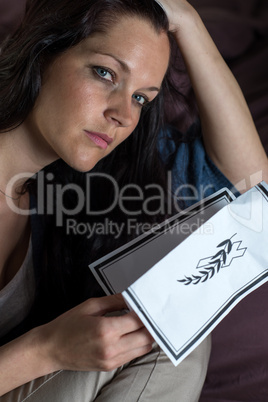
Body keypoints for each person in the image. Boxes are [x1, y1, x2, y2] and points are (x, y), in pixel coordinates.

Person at [0, 0, 267, 401]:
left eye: (142, 98)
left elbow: (250, 190)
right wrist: (48, 349)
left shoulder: (79, 185)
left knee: (169, 331)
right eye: (105, 73)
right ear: (42, 53)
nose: (124, 114)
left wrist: (187, 21)